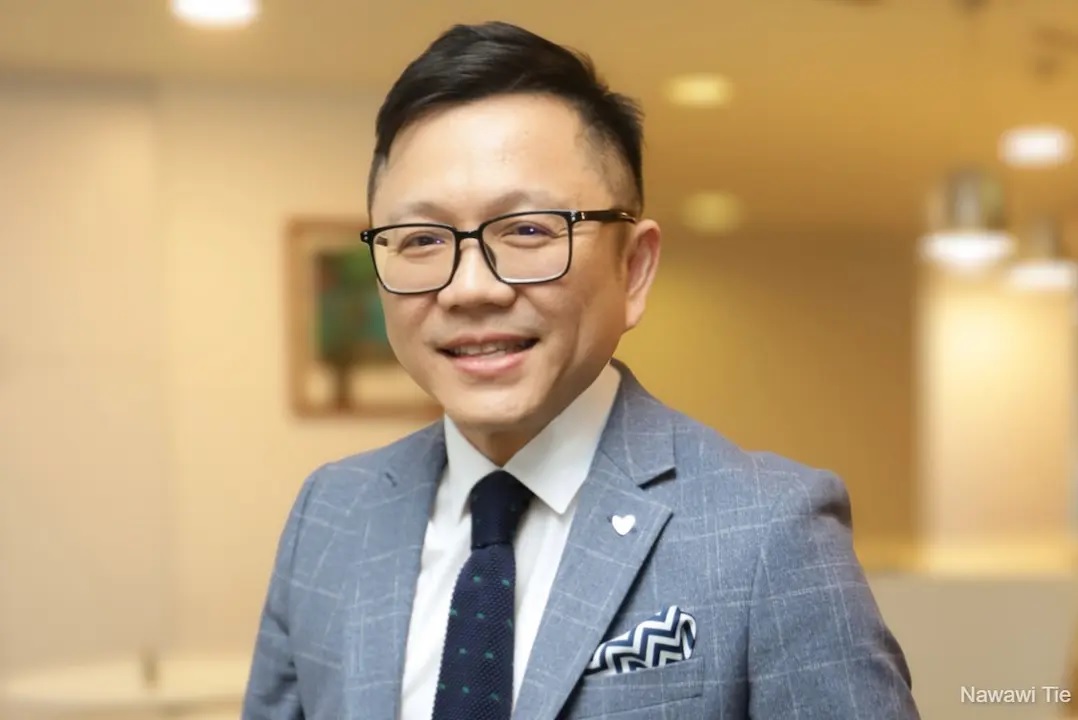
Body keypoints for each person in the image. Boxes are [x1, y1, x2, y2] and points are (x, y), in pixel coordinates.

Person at [242, 20, 920, 720]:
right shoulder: (332, 515)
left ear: (635, 269)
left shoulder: (768, 533)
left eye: (527, 230)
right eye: (420, 239)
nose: (470, 288)